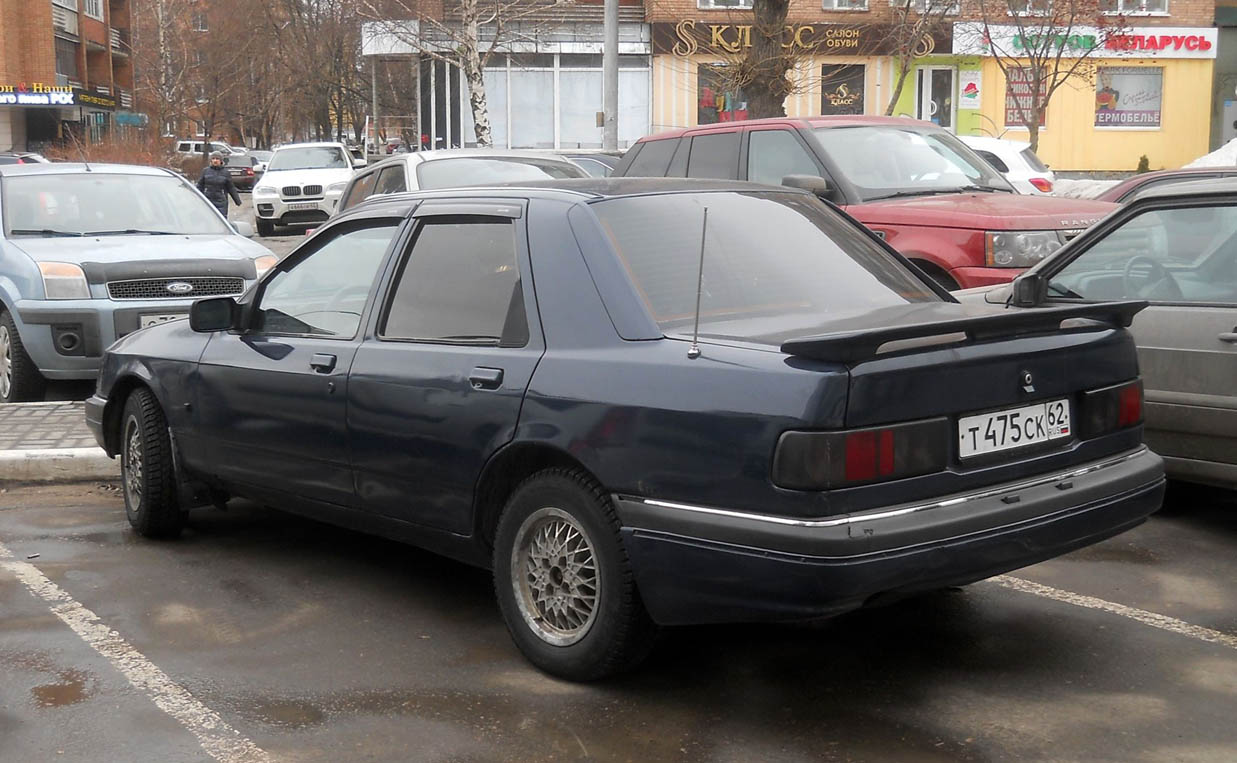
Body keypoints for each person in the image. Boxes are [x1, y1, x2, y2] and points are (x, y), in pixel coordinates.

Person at [196, 152, 241, 218]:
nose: (215, 160)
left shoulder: (225, 173)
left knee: (221, 220)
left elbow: (231, 188)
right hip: (208, 200)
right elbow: (199, 185)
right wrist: (195, 197)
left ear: (221, 161)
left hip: (221, 202)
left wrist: (237, 201)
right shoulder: (205, 171)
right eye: (213, 158)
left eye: (217, 159)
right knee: (207, 219)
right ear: (211, 160)